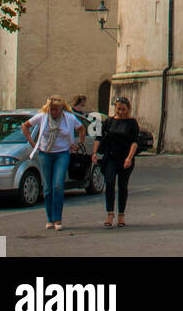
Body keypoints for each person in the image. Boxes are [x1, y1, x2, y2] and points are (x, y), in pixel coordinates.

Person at [21, 96, 84, 230]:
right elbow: (25, 126)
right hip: (45, 154)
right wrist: (32, 143)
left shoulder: (69, 118)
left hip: (62, 153)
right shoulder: (42, 116)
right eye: (52, 109)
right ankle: (49, 218)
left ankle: (57, 219)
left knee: (58, 185)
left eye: (56, 110)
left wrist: (79, 144)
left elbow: (82, 128)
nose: (53, 112)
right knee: (48, 188)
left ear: (62, 109)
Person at [92, 95, 139, 227]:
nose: (121, 112)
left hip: (125, 158)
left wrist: (129, 158)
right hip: (110, 157)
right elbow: (98, 137)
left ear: (128, 109)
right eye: (118, 109)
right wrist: (94, 153)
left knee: (123, 186)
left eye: (123, 109)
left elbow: (135, 142)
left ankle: (121, 215)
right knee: (110, 183)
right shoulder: (109, 122)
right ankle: (110, 213)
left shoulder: (132, 123)